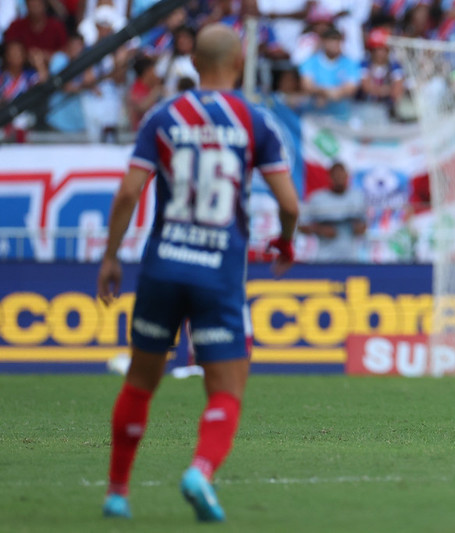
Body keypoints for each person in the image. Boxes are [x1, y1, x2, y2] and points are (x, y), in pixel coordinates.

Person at [97, 23, 299, 521]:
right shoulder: (253, 121)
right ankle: (200, 470)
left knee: (141, 383)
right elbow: (289, 204)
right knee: (227, 388)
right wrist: (286, 241)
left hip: (163, 264)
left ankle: (117, 493)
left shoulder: (162, 116)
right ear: (238, 63)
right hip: (218, 272)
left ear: (194, 63)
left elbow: (127, 193)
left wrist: (109, 256)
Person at [299, 161, 367, 262]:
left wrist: (360, 228)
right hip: (324, 260)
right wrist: (320, 230)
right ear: (329, 177)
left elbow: (364, 224)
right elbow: (301, 226)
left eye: (342, 175)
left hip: (352, 259)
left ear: (347, 176)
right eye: (336, 175)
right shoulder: (317, 198)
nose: (339, 178)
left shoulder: (358, 197)